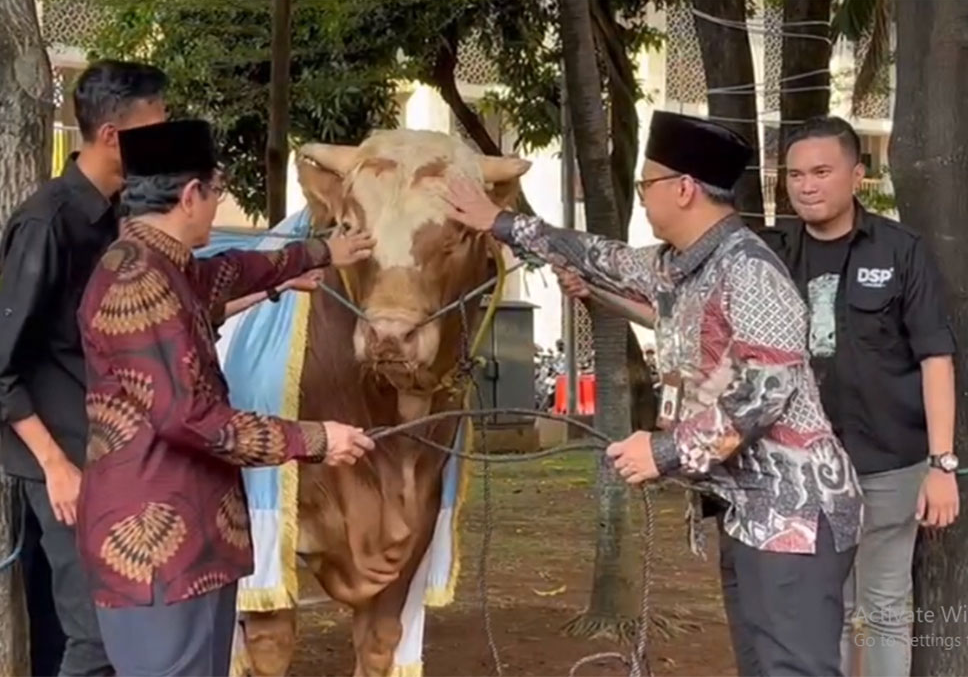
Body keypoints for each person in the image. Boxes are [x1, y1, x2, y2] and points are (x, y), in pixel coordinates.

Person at [444, 110, 863, 676]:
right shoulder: (678, 267)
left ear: (684, 189)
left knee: (793, 670)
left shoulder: (749, 270)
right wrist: (501, 223)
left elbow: (764, 392)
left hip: (794, 513)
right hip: (748, 512)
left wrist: (664, 452)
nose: (642, 199)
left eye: (646, 185)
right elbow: (597, 253)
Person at [75, 119, 376, 677]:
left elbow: (231, 272)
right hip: (157, 546)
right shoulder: (138, 280)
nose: (217, 205)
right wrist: (313, 439)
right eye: (216, 191)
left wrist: (317, 252)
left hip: (194, 541)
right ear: (192, 194)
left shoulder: (164, 265)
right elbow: (190, 417)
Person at [0, 58, 169, 677]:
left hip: (108, 456)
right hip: (62, 462)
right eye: (155, 126)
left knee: (112, 627)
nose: (165, 139)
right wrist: (55, 467)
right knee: (93, 637)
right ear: (112, 134)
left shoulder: (118, 218)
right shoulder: (48, 222)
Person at [764, 116, 958, 677]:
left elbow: (936, 358)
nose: (807, 186)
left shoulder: (900, 251)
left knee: (882, 608)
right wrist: (601, 294)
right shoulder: (772, 254)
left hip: (889, 465)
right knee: (823, 609)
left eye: (821, 172)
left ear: (857, 175)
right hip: (802, 470)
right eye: (795, 175)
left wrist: (942, 465)